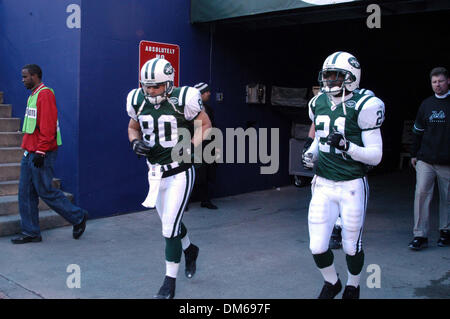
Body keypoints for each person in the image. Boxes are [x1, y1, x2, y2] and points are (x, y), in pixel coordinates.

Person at [126, 58, 212, 299]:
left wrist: (190, 146)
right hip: (155, 173)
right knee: (170, 222)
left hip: (179, 172)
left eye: (156, 86)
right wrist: (134, 142)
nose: (151, 91)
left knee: (168, 229)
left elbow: (205, 125)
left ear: (169, 83)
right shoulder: (137, 100)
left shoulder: (184, 98)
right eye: (147, 86)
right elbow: (133, 127)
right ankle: (190, 249)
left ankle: (169, 282)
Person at [302, 52, 385, 299]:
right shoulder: (318, 102)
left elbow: (375, 155)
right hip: (323, 183)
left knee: (351, 246)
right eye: (327, 75)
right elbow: (320, 137)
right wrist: (311, 152)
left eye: (336, 76)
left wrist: (348, 146)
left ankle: (353, 285)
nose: (330, 81)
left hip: (351, 184)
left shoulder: (365, 105)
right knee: (317, 246)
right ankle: (332, 282)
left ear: (351, 77)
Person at [11, 64, 88, 244]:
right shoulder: (33, 94)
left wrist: (41, 151)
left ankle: (77, 217)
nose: (22, 80)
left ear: (35, 76)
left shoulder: (45, 94)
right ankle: (31, 232)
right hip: (30, 151)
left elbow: (48, 125)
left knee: (44, 190)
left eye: (25, 77)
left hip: (41, 152)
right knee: (25, 192)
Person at [303, 88, 376, 251]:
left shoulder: (363, 99)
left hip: (349, 159)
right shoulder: (323, 100)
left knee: (350, 195)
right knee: (323, 194)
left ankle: (346, 232)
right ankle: (334, 228)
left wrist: (361, 152)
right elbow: (317, 122)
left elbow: (368, 134)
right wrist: (310, 142)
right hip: (328, 159)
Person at [408, 67, 449, 250]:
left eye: (440, 81)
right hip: (426, 159)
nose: (437, 85)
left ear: (448, 81)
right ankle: (420, 235)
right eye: (434, 82)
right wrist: (414, 154)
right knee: (421, 196)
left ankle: (445, 232)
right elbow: (417, 132)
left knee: (447, 198)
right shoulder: (426, 105)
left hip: (447, 161)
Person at [192, 82, 218, 210]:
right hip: (195, 146)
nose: (209, 93)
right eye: (206, 92)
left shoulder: (209, 109)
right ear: (200, 94)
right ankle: (185, 202)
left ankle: (205, 200)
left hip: (208, 146)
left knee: (207, 174)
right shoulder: (190, 109)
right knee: (193, 174)